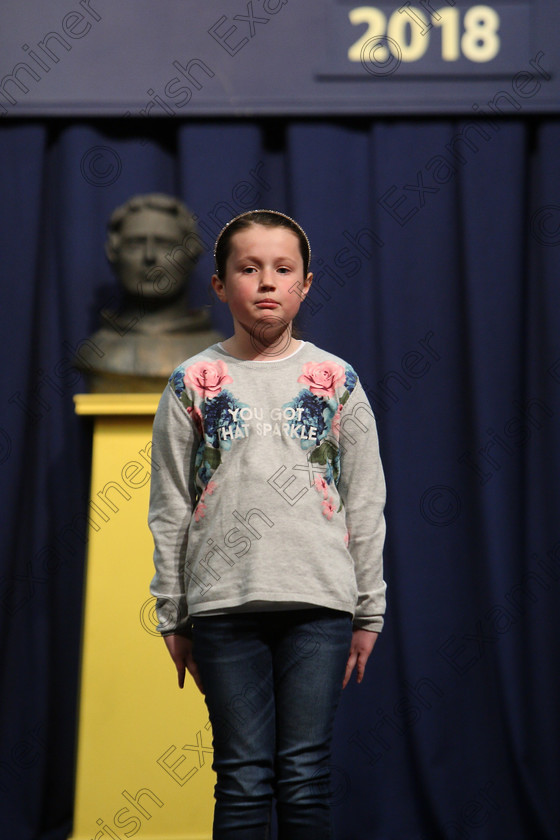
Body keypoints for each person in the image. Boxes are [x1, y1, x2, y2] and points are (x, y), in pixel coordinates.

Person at [148, 209, 387, 840]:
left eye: (283, 270)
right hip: (224, 606)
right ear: (220, 285)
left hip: (319, 601)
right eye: (248, 269)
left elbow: (365, 499)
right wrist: (171, 614)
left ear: (305, 284)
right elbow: (171, 505)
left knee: (305, 776)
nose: (266, 283)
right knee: (244, 777)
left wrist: (369, 610)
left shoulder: (337, 380)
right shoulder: (191, 383)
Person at [74, 193, 222, 392]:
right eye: (135, 244)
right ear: (113, 254)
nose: (149, 256)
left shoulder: (216, 354)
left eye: (165, 244)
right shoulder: (96, 352)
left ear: (191, 255)